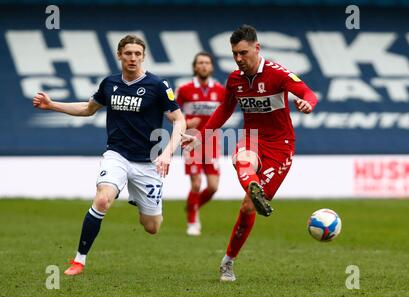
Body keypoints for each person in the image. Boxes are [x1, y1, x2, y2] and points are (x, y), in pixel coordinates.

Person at [32, 35, 186, 276]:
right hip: (117, 155)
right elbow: (87, 108)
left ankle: (138, 197)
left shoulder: (157, 86)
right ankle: (79, 260)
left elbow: (179, 120)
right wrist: (53, 105)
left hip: (148, 164)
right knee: (103, 199)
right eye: (128, 53)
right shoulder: (109, 84)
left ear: (143, 57)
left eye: (137, 54)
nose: (133, 58)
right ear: (119, 55)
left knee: (152, 227)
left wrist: (168, 152)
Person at [182, 25, 318, 282]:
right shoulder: (234, 79)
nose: (238, 59)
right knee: (243, 160)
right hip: (252, 138)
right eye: (234, 53)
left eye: (243, 52)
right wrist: (201, 134)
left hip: (281, 145)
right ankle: (254, 186)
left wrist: (306, 104)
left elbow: (308, 93)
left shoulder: (278, 75)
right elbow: (224, 110)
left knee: (247, 207)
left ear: (257, 48)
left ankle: (228, 260)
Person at [176, 52, 225, 236]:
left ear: (211, 67)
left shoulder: (220, 90)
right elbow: (171, 113)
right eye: (200, 63)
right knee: (196, 184)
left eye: (207, 63)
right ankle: (192, 221)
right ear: (195, 67)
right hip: (191, 140)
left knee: (212, 187)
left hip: (212, 142)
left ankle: (192, 206)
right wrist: (187, 124)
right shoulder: (185, 89)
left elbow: (225, 112)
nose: (204, 66)